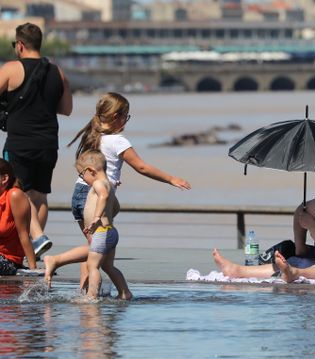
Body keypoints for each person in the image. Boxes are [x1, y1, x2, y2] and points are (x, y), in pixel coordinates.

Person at [66, 92, 191, 289]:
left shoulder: (94, 135)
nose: (127, 120)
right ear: (116, 117)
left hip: (80, 192)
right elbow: (141, 167)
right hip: (96, 197)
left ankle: (84, 294)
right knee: (97, 252)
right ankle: (86, 296)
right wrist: (171, 179)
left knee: (94, 250)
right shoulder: (118, 141)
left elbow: (90, 167)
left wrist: (110, 179)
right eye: (126, 116)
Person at [0, 22, 72, 256]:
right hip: (48, 142)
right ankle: (34, 246)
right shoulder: (57, 72)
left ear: (20, 45)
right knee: (39, 195)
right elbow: (66, 109)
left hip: (20, 141)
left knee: (16, 190)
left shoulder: (11, 69)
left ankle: (37, 237)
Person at [45, 151, 131, 300]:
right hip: (110, 231)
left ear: (91, 170)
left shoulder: (98, 184)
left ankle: (92, 296)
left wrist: (97, 217)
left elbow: (103, 197)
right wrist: (106, 217)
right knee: (108, 267)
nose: (82, 178)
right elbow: (116, 207)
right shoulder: (109, 184)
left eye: (81, 175)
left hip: (101, 233)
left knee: (92, 266)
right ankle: (124, 293)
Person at [0, 159, 38, 274]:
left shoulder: (14, 195)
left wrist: (33, 270)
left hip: (9, 261)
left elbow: (24, 235)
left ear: (4, 179)